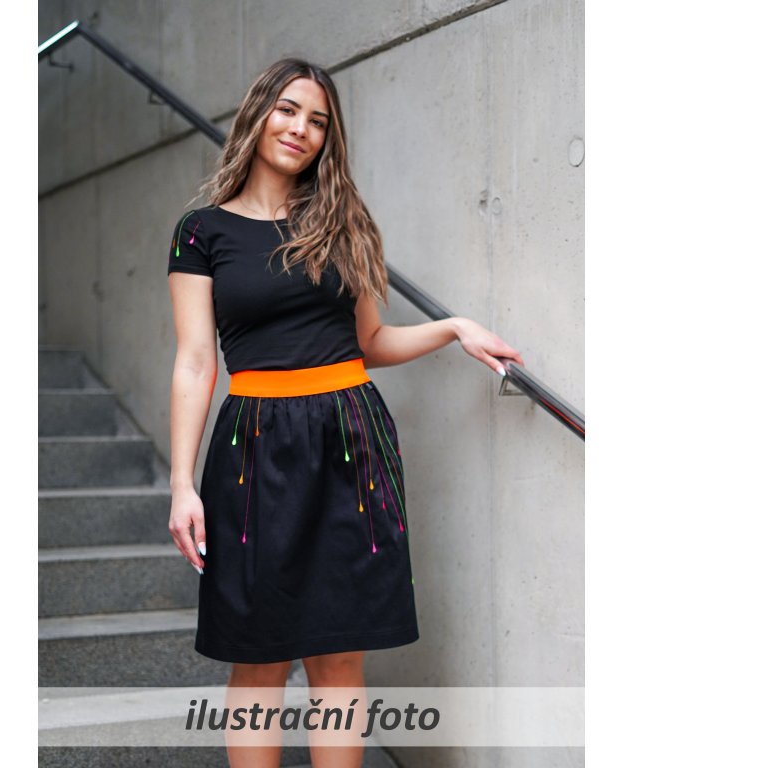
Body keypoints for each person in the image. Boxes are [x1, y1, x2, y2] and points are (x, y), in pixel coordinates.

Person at [167, 58, 523, 768]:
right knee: (258, 658)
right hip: (254, 450)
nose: (301, 129)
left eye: (318, 121)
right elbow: (196, 362)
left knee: (339, 658)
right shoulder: (201, 232)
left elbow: (369, 343)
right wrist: (181, 483)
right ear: (258, 114)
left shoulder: (342, 222)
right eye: (288, 110)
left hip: (350, 442)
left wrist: (454, 328)